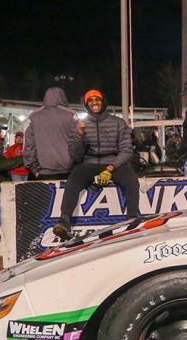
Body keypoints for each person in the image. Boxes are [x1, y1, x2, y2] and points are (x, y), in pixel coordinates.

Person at [53, 90, 139, 240]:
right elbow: (75, 155)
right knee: (74, 177)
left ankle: (132, 218)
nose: (94, 102)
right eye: (90, 100)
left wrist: (111, 167)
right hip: (89, 163)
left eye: (97, 99)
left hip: (113, 162)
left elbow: (126, 150)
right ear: (86, 104)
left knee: (131, 179)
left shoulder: (118, 122)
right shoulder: (80, 124)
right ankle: (64, 220)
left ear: (103, 101)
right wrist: (79, 136)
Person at [24, 86, 78, 180]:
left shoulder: (33, 116)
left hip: (43, 170)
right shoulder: (72, 115)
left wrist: (32, 167)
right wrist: (76, 164)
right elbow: (77, 142)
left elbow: (28, 144)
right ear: (63, 97)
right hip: (68, 170)